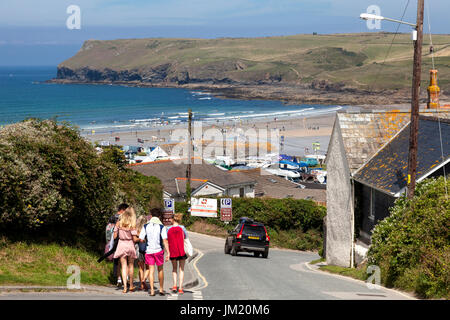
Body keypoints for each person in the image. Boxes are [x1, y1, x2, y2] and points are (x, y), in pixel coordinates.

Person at [138, 208, 168, 296]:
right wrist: (168, 253)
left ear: (151, 216)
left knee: (151, 271)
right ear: (159, 216)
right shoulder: (162, 227)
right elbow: (165, 240)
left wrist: (145, 241)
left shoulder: (146, 226)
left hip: (149, 251)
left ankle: (152, 290)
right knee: (160, 270)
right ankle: (161, 289)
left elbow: (141, 238)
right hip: (158, 250)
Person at [99, 203, 129, 287]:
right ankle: (125, 278)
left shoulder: (112, 218)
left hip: (113, 241)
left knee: (117, 260)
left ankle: (118, 278)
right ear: (123, 210)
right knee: (124, 260)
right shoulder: (123, 218)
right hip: (123, 240)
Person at [113, 207, 139, 293]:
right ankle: (131, 285)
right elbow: (135, 239)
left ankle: (124, 287)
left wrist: (117, 233)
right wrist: (140, 238)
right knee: (131, 265)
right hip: (130, 244)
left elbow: (114, 236)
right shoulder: (132, 225)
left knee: (123, 266)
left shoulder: (118, 223)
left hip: (121, 244)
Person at [165, 215, 188, 294]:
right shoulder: (182, 228)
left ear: (172, 219)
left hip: (173, 251)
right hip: (181, 251)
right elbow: (185, 237)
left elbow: (166, 240)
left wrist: (168, 253)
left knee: (174, 269)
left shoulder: (168, 229)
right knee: (181, 269)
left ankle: (174, 285)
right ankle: (180, 288)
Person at [135, 215, 150, 291]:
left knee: (141, 268)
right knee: (148, 268)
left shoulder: (136, 230)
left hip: (139, 250)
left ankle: (142, 285)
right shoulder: (147, 229)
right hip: (147, 250)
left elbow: (134, 240)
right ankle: (144, 279)